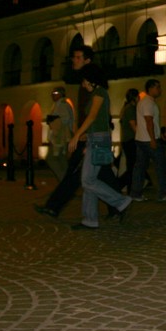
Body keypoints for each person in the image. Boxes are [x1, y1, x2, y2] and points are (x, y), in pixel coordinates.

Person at [35, 45, 121, 218]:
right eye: (73, 57)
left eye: (77, 57)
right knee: (101, 173)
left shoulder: (93, 87)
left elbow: (94, 114)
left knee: (77, 173)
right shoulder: (84, 84)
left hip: (89, 136)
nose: (73, 60)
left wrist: (79, 136)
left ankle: (54, 206)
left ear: (87, 60)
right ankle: (116, 206)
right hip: (87, 135)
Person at [67, 63, 131, 229]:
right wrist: (85, 136)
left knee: (87, 180)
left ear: (91, 80)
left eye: (84, 81)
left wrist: (76, 135)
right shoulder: (97, 93)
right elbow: (100, 120)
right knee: (90, 180)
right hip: (96, 138)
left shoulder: (100, 93)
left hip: (99, 140)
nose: (83, 84)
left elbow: (93, 117)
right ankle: (89, 219)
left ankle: (121, 201)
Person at [129, 79, 166, 202]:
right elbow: (149, 121)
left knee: (140, 167)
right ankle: (163, 193)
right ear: (150, 89)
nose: (160, 90)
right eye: (157, 87)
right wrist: (153, 139)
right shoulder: (148, 103)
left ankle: (136, 193)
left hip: (141, 139)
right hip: (148, 140)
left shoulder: (143, 102)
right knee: (161, 166)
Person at [46, 86, 74, 182]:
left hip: (60, 136)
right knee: (61, 159)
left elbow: (65, 120)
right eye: (52, 93)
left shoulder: (62, 105)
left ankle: (64, 181)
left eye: (55, 93)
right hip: (61, 136)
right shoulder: (58, 104)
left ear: (61, 94)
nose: (53, 95)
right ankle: (67, 180)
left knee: (52, 159)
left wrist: (53, 120)